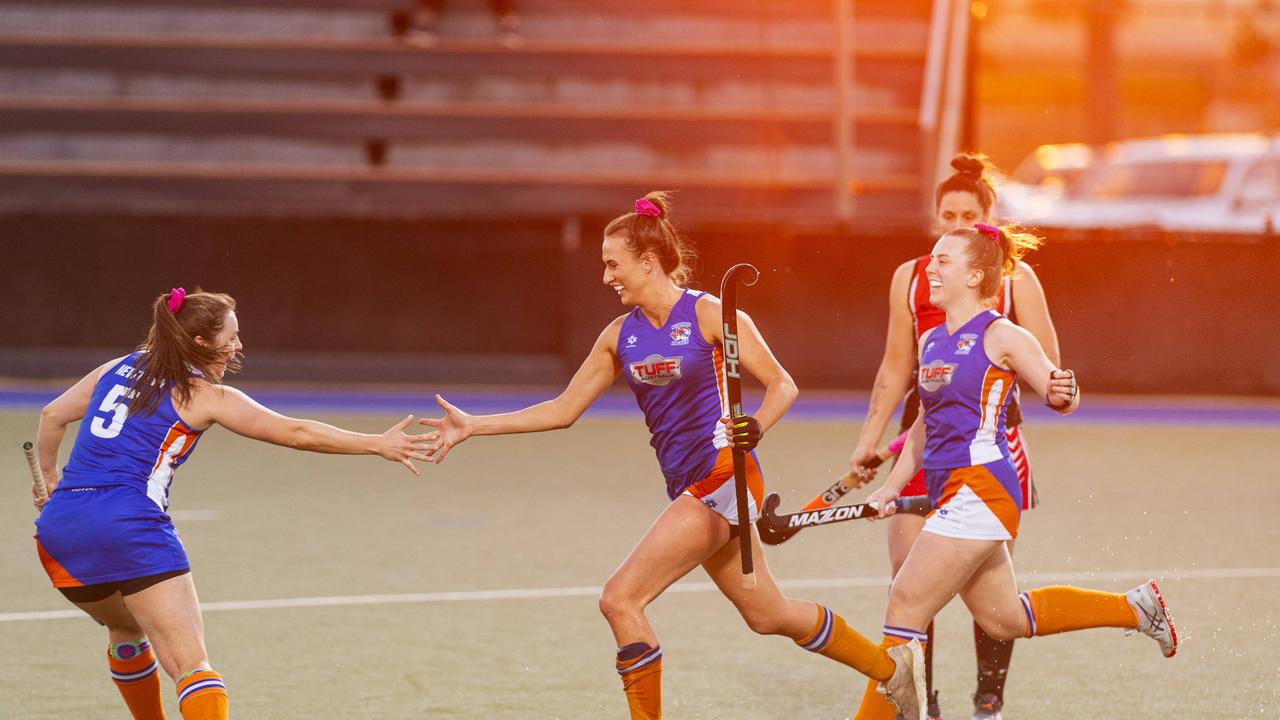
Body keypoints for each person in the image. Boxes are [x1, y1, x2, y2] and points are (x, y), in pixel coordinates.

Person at [420, 192, 932, 720]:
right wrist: (474, 425)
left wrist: (753, 425)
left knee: (619, 599)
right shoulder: (620, 336)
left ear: (647, 261)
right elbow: (562, 409)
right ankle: (896, 674)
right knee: (768, 615)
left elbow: (782, 385)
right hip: (691, 486)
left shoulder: (709, 313)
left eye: (612, 264)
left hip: (722, 479)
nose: (605, 277)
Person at [31, 288, 431, 720]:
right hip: (128, 523)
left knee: (125, 628)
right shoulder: (202, 395)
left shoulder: (116, 367)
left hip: (59, 529)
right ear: (200, 343)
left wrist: (51, 480)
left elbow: (52, 414)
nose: (239, 345)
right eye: (232, 336)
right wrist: (377, 444)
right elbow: (295, 433)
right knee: (191, 666)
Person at [852, 224, 1176, 720]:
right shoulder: (933, 339)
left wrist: (1064, 394)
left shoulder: (1001, 333)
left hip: (981, 488)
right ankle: (1135, 608)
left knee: (904, 606)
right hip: (947, 491)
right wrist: (891, 488)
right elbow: (921, 426)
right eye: (931, 259)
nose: (930, 268)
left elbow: (1056, 387)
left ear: (975, 274)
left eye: (943, 261)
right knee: (1004, 618)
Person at [848, 154, 1060, 720]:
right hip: (922, 440)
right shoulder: (912, 276)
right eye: (947, 214)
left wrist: (1042, 383)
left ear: (988, 218)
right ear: (935, 216)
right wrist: (869, 442)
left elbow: (1047, 366)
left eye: (969, 214)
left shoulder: (1016, 280)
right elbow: (896, 369)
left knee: (987, 589)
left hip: (990, 443)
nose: (956, 224)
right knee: (911, 582)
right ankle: (923, 702)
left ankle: (988, 699)